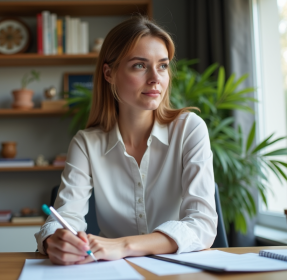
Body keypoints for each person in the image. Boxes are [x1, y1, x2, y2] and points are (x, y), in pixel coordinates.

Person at [35, 15, 217, 265]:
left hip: (178, 269)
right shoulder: (86, 143)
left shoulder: (189, 129)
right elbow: (64, 216)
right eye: (140, 66)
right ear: (109, 73)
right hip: (111, 271)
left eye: (163, 66)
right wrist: (55, 240)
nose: (155, 78)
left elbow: (202, 225)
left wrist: (123, 245)